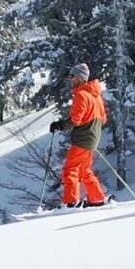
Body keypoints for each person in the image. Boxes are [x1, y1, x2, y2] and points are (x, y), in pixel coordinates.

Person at [51, 63, 108, 206]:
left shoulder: (82, 95)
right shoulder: (96, 97)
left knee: (70, 170)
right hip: (92, 139)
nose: (70, 79)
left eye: (73, 76)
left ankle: (70, 202)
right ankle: (97, 199)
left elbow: (75, 120)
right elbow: (103, 119)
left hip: (82, 139)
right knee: (84, 170)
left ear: (81, 77)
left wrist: (59, 125)